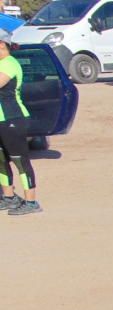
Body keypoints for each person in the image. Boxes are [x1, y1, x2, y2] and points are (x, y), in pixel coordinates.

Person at [0, 30, 40, 216]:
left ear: (2, 45)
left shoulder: (10, 63)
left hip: (13, 119)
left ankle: (31, 201)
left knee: (20, 161)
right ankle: (9, 198)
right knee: (0, 161)